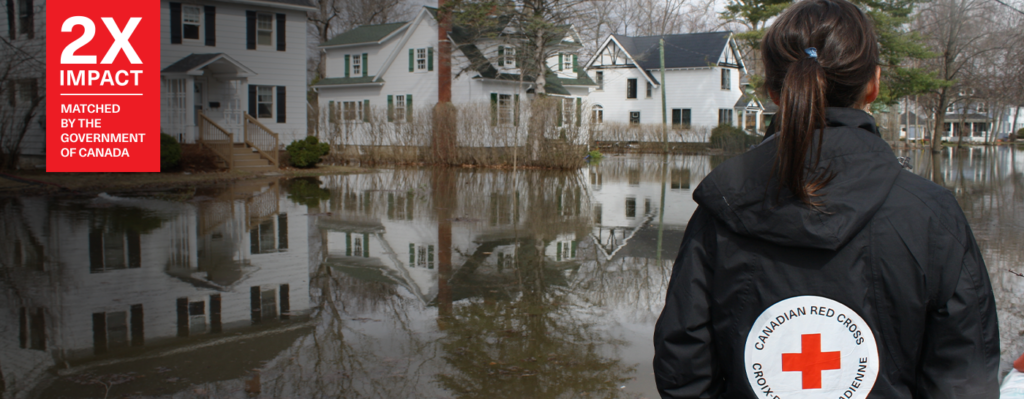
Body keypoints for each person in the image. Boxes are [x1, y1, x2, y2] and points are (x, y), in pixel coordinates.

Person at [652, 0, 1000, 398]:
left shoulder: (724, 207)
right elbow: (965, 377)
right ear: (874, 84)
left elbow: (683, 364)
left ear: (773, 94)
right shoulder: (932, 216)